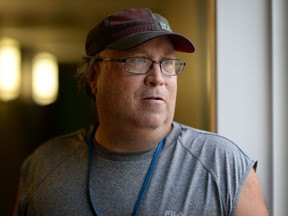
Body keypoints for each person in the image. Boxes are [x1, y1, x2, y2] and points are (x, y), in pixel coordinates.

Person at [14, 8, 268, 216]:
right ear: (94, 76)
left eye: (167, 62)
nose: (157, 78)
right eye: (138, 60)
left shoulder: (224, 165)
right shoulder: (42, 166)